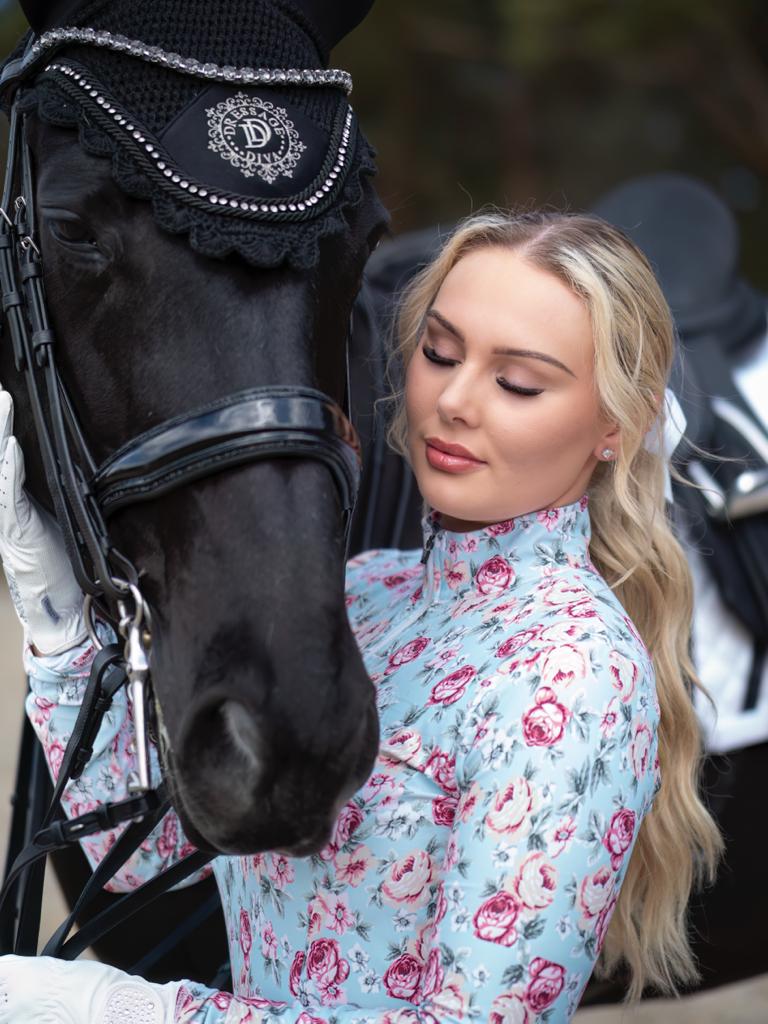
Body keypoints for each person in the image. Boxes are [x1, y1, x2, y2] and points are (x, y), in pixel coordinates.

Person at [0, 210, 722, 1023]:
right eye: (440, 352)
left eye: (517, 382)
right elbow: (151, 851)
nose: (451, 400)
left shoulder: (574, 673)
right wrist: (57, 613)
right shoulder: (364, 595)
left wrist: (135, 1013)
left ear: (613, 429)